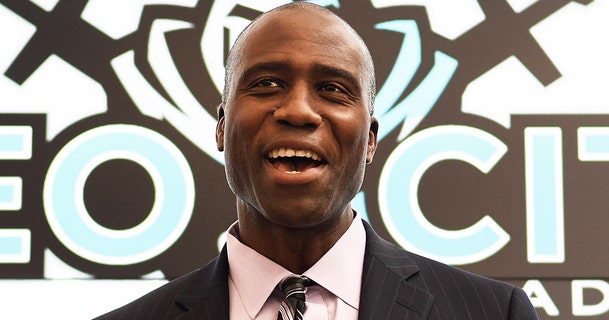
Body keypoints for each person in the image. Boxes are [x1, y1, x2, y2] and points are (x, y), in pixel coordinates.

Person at [95, 2, 538, 319]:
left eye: (332, 89)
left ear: (369, 140)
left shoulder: (495, 312)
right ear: (221, 128)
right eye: (267, 83)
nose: (299, 111)